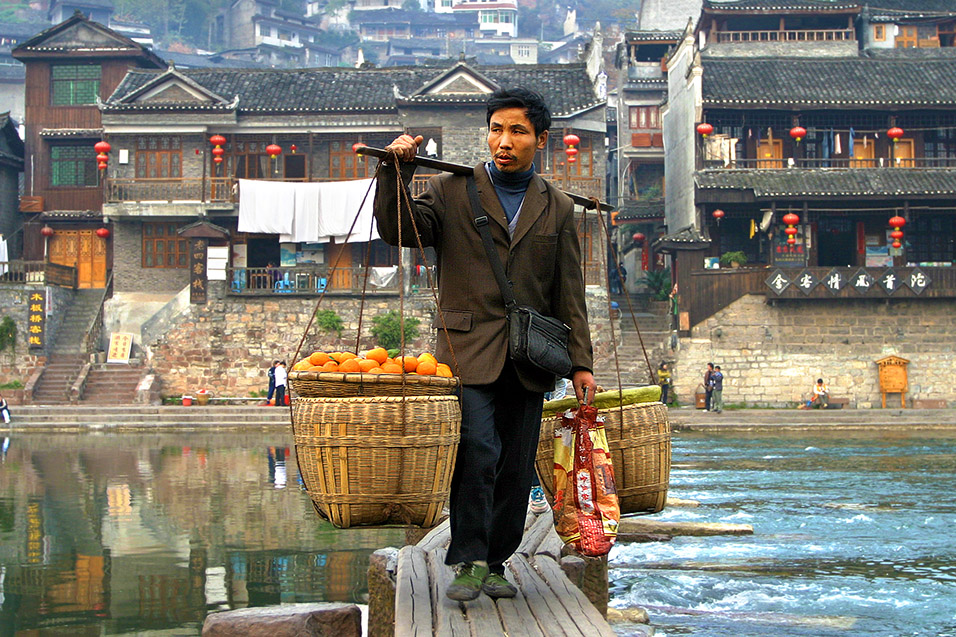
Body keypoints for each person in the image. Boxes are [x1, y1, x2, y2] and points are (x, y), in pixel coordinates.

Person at [374, 87, 596, 602]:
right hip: (466, 348)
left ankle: (498, 560)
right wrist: (395, 173)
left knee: (517, 463)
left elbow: (570, 291)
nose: (504, 140)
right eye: (496, 128)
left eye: (517, 131)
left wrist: (581, 364)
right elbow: (400, 229)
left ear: (540, 140)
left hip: (529, 356)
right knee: (479, 449)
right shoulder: (452, 190)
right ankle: (468, 558)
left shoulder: (557, 207)